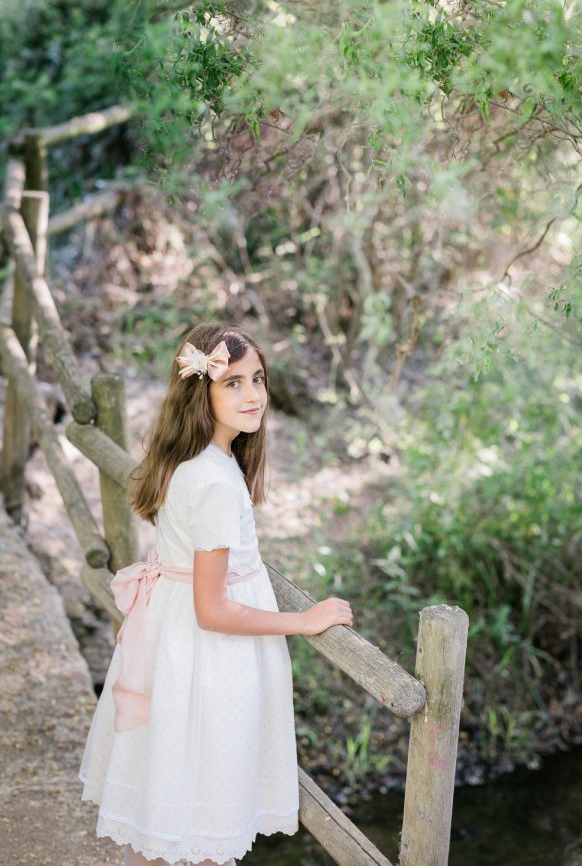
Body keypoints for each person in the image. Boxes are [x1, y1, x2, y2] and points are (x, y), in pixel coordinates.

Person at [78, 323, 354, 865]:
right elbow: (212, 609)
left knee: (171, 813)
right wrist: (304, 621)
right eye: (233, 383)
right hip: (208, 660)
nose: (253, 395)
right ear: (200, 392)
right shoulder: (213, 482)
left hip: (173, 643)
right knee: (205, 822)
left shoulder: (197, 461)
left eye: (258, 379)